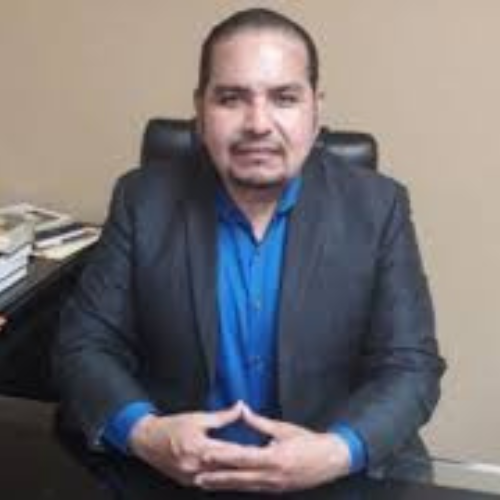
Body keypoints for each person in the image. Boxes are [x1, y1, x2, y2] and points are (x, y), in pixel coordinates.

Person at [54, 7, 445, 494]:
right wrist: (147, 434)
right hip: (176, 478)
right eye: (231, 98)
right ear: (200, 112)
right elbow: (83, 345)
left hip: (327, 481)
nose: (258, 123)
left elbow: (411, 367)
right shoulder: (142, 200)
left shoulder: (378, 207)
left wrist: (335, 451)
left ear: (316, 110)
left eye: (284, 98)